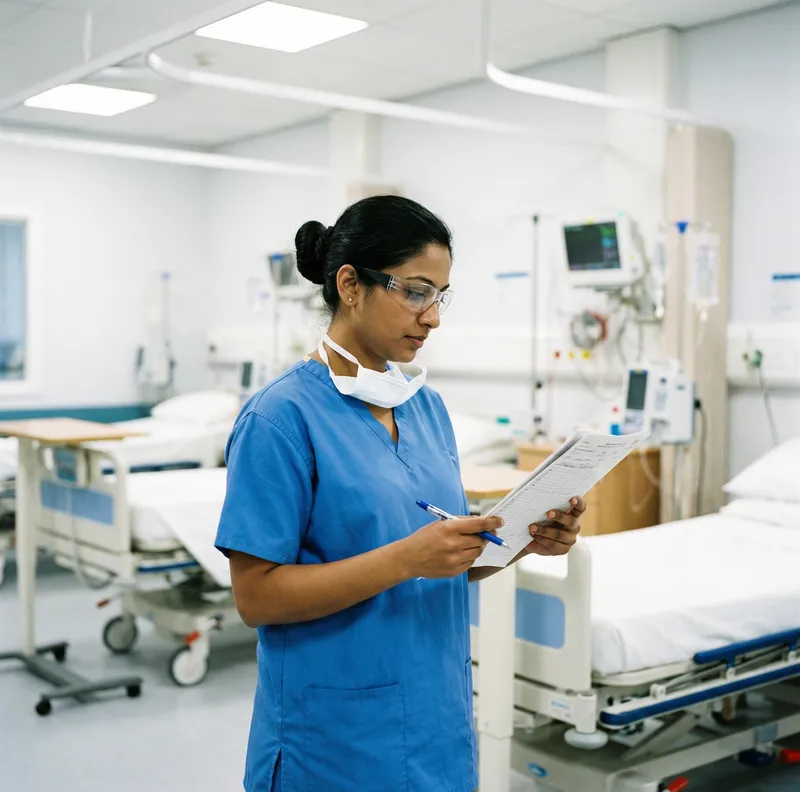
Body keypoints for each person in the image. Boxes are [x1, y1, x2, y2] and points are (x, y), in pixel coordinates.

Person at [214, 195, 585, 792]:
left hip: (436, 720)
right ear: (350, 286)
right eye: (416, 292)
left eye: (440, 296)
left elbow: (440, 561)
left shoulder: (426, 411)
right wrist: (407, 558)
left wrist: (523, 540)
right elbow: (255, 598)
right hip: (334, 738)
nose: (432, 317)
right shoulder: (279, 419)